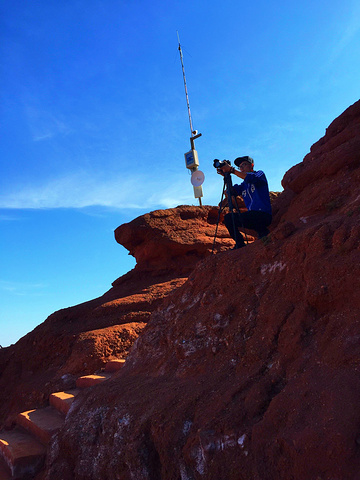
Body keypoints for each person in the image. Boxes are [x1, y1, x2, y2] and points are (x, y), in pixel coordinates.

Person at [217, 156, 272, 249]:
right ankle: (240, 243)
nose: (241, 168)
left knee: (252, 215)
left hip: (263, 214)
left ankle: (263, 232)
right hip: (253, 216)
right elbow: (231, 192)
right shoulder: (244, 185)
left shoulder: (259, 174)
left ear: (252, 165)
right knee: (228, 218)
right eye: (240, 167)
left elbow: (251, 179)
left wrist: (232, 170)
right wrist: (226, 176)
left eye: (244, 165)